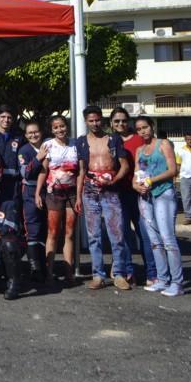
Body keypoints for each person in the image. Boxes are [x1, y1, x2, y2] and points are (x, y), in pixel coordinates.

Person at [75, 105, 132, 291]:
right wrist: (78, 196)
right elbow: (81, 171)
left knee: (116, 233)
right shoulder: (81, 142)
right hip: (90, 191)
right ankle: (98, 275)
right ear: (86, 122)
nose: (95, 123)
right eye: (91, 121)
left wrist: (113, 180)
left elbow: (124, 165)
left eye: (97, 120)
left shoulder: (113, 139)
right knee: (94, 235)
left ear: (102, 119)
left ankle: (119, 274)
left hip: (111, 190)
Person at [133, 116, 184, 297]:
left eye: (145, 127)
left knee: (167, 239)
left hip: (163, 193)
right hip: (145, 197)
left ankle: (177, 282)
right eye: (139, 129)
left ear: (152, 126)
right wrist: (136, 185)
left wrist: (151, 180)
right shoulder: (139, 150)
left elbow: (172, 170)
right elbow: (136, 174)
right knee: (154, 241)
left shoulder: (163, 144)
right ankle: (162, 279)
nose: (143, 131)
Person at [111, 107, 156, 286]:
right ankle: (129, 272)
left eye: (124, 120)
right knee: (123, 235)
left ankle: (152, 273)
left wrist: (145, 184)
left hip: (139, 193)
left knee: (145, 233)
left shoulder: (139, 139)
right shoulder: (110, 140)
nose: (120, 124)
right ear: (111, 123)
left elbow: (148, 164)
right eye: (116, 121)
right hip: (117, 193)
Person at [35, 115, 79, 286]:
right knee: (53, 233)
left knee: (69, 233)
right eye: (56, 127)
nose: (60, 129)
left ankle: (69, 273)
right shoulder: (48, 145)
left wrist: (80, 195)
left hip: (72, 194)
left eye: (62, 126)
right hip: (53, 193)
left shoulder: (75, 144)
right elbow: (43, 171)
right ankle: (49, 273)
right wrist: (37, 193)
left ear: (67, 126)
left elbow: (80, 171)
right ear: (52, 130)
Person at [17, 121, 47, 283]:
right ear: (26, 135)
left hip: (49, 190)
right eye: (30, 133)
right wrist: (38, 158)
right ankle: (35, 268)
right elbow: (26, 173)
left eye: (36, 132)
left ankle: (46, 265)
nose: (33, 135)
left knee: (47, 228)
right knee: (33, 228)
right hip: (30, 191)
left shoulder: (49, 145)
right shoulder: (24, 151)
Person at [0, 105, 23, 203]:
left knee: (12, 209)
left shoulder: (19, 137)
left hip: (13, 183)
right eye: (3, 117)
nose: (6, 120)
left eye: (9, 117)